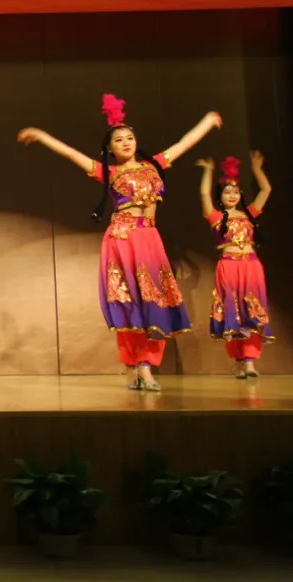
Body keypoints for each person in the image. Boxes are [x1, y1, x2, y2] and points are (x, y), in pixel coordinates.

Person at [17, 94, 222, 391]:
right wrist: (41, 135)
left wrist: (208, 121)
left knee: (155, 301)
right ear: (110, 149)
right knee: (129, 303)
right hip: (122, 238)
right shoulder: (109, 173)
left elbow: (184, 143)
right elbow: (71, 154)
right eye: (119, 140)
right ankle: (134, 366)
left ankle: (145, 366)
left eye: (129, 138)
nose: (126, 143)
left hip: (149, 238)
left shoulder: (155, 165)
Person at [196, 153, 273, 378]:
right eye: (227, 192)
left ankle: (249, 362)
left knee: (252, 311)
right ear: (220, 196)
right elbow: (204, 194)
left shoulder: (249, 214)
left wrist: (257, 169)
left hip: (251, 266)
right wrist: (208, 171)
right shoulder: (215, 217)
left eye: (236, 192)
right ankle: (239, 360)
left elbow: (266, 190)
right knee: (234, 311)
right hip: (229, 266)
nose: (232, 195)